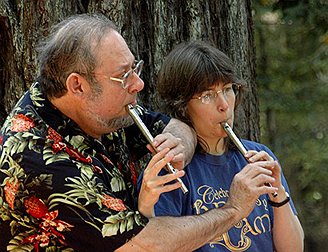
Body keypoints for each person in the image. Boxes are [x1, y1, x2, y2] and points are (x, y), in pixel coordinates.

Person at [0, 14, 278, 252]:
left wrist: (178, 145)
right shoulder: (34, 156)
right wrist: (234, 210)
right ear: (78, 86)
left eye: (135, 68)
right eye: (124, 76)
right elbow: (144, 245)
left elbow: (176, 126)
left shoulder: (104, 109)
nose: (139, 83)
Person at [140, 40, 304, 251]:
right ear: (182, 106)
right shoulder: (170, 171)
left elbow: (294, 248)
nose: (224, 105)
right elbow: (157, 244)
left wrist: (278, 192)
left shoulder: (261, 154)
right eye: (207, 95)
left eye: (227, 89)